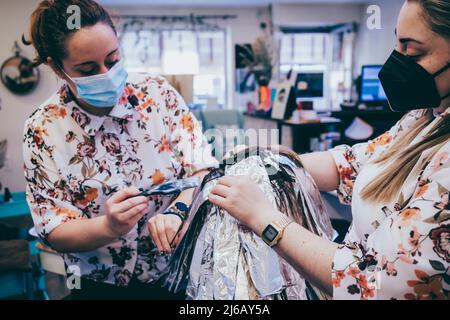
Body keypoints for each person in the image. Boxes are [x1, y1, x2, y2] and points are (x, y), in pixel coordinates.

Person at [209, 0, 450, 300]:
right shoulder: (424, 116)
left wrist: (262, 216)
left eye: (411, 50)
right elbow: (351, 163)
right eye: (396, 43)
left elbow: (371, 283)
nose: (396, 60)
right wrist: (278, 160)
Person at [23, 0, 217, 299]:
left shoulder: (158, 94)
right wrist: (109, 226)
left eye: (112, 60)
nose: (106, 74)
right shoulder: (43, 129)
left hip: (175, 273)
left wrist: (178, 211)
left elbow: (203, 168)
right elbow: (54, 229)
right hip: (99, 285)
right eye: (87, 69)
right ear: (57, 67)